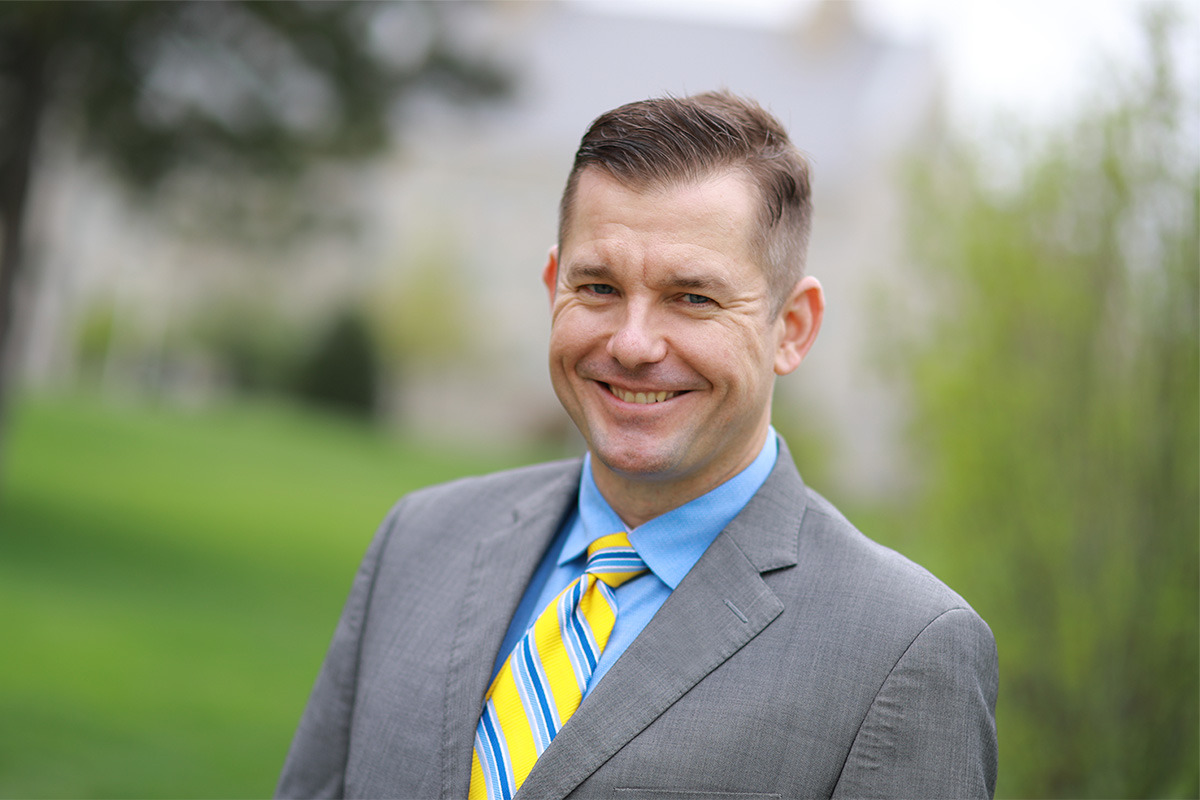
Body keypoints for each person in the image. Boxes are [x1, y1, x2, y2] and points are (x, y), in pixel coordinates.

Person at [276, 90, 998, 799]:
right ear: (554, 284)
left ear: (793, 327)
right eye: (599, 287)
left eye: (693, 298)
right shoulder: (419, 540)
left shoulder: (905, 650)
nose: (632, 343)